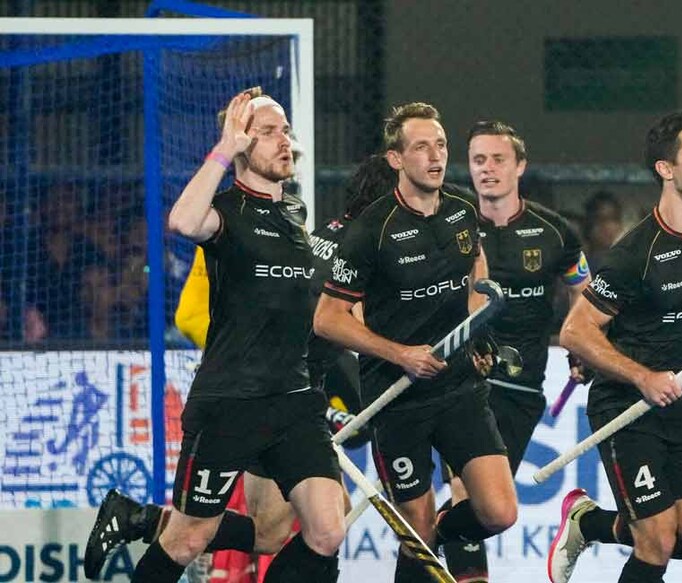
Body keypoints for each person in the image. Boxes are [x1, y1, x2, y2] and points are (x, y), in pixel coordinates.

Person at [82, 151, 398, 580]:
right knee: (236, 531)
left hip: (289, 397)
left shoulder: (315, 230)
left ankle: (140, 518)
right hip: (253, 393)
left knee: (280, 531)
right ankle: (146, 522)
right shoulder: (353, 252)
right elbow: (334, 332)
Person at [313, 102, 518, 581]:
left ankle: (440, 533)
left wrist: (475, 324)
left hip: (460, 388)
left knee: (500, 513)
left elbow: (475, 266)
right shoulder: (370, 230)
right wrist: (400, 354)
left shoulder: (464, 209)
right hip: (396, 397)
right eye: (421, 147)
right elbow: (329, 320)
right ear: (396, 159)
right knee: (417, 531)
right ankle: (427, 538)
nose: (435, 156)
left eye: (441, 145)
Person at [548, 106, 682, 583]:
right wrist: (642, 377)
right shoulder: (634, 253)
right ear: (666, 169)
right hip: (625, 410)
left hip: (680, 410)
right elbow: (575, 330)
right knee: (656, 539)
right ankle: (590, 523)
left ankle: (588, 522)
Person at [439, 120, 591, 582]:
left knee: (489, 511)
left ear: (519, 166)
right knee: (465, 492)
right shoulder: (451, 226)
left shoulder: (555, 232)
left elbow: (584, 291)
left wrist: (581, 344)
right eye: (479, 160)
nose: (487, 170)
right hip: (463, 383)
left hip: (524, 388)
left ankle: (423, 537)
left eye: (498, 159)